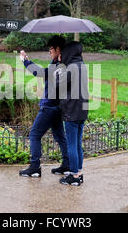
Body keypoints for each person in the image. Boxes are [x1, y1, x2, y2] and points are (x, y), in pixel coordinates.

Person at [18, 35, 70, 178]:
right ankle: (67, 164)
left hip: (49, 107)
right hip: (58, 107)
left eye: (51, 49)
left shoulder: (57, 65)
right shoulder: (62, 64)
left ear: (58, 49)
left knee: (34, 134)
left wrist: (25, 61)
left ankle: (34, 167)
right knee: (60, 136)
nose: (49, 52)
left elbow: (40, 73)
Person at [56, 41, 88, 186]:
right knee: (78, 144)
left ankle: (74, 176)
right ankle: (79, 172)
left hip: (72, 111)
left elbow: (57, 84)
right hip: (82, 111)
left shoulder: (70, 68)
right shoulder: (82, 66)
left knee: (71, 145)